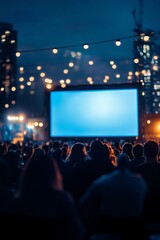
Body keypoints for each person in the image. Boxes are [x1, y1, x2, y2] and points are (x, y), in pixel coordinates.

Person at [1, 147, 85, 240]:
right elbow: (77, 233)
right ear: (53, 174)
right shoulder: (62, 200)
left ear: (27, 174)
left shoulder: (14, 202)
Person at [78, 153, 147, 240]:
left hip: (108, 226)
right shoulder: (140, 182)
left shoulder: (103, 181)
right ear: (129, 164)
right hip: (133, 226)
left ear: (117, 164)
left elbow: (83, 202)